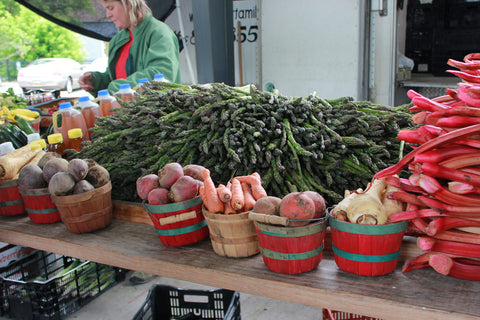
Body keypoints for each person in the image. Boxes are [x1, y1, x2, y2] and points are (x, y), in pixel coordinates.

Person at [79, 0, 181, 94]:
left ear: (129, 4)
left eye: (111, 8)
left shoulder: (159, 33)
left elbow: (161, 75)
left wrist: (117, 88)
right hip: (126, 111)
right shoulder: (117, 40)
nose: (108, 15)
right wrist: (96, 81)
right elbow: (114, 78)